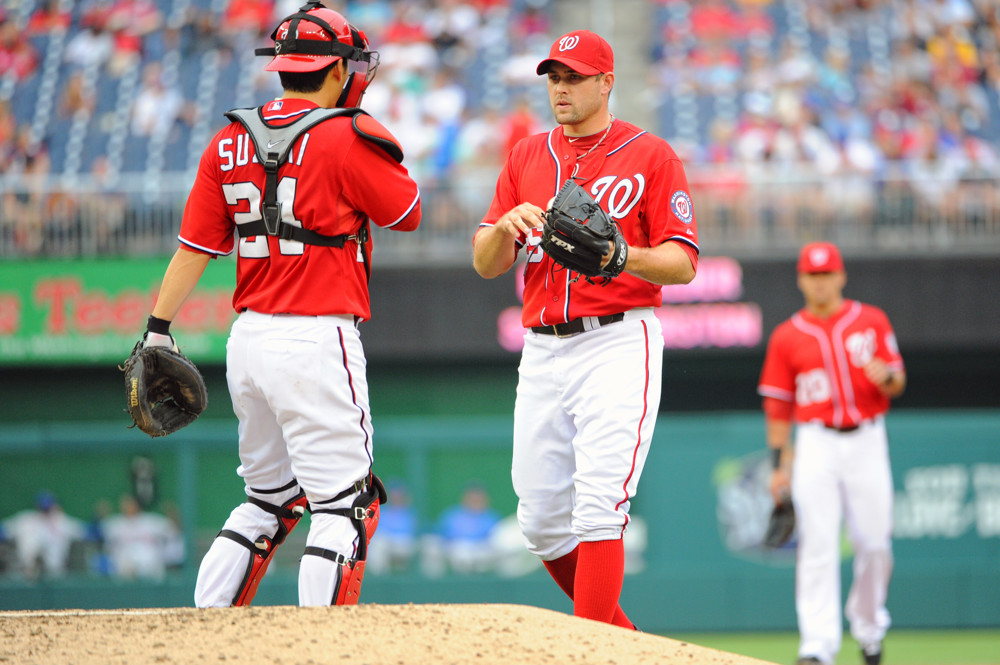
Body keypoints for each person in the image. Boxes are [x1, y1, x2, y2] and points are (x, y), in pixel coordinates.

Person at [132, 0, 421, 607]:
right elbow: (407, 212)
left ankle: (205, 630)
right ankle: (322, 644)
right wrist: (356, 128)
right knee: (345, 506)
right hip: (316, 337)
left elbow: (193, 249)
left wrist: (157, 328)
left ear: (282, 66)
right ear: (337, 69)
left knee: (267, 499)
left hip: (249, 340)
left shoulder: (229, 139)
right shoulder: (347, 135)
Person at [471, 30, 700, 627]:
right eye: (554, 77)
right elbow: (486, 262)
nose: (561, 88)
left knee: (599, 508)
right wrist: (504, 227)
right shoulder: (526, 155)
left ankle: (596, 649)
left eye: (574, 77)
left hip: (617, 339)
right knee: (540, 522)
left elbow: (683, 262)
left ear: (606, 82)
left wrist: (623, 256)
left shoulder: (651, 155)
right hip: (542, 347)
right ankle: (623, 642)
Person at [758, 242, 906, 665]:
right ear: (801, 280)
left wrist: (887, 377)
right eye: (813, 274)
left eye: (826, 274)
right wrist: (779, 466)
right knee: (817, 545)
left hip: (867, 438)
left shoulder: (871, 320)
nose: (820, 282)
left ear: (841, 276)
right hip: (816, 441)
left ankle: (869, 628)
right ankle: (817, 647)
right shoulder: (787, 335)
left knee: (874, 542)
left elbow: (898, 382)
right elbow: (778, 407)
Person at [1, 490, 86, 579]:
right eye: (43, 509)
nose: (46, 511)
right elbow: (4, 531)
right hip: (25, 572)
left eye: (48, 508)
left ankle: (40, 565)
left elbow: (85, 533)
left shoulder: (63, 522)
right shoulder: (26, 520)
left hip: (55, 572)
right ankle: (34, 565)